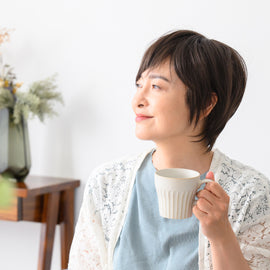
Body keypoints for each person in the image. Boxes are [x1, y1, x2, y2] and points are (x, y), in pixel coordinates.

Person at [68, 30, 270, 270]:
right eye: (139, 84)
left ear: (206, 103)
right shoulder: (107, 183)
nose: (138, 100)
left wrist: (221, 235)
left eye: (156, 86)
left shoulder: (251, 194)